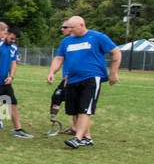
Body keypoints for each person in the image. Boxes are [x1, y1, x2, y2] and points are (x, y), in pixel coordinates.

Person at [46, 15, 121, 149]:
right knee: (75, 110)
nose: (70, 30)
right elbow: (59, 59)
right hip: (71, 79)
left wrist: (113, 73)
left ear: (82, 25)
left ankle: (78, 138)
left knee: (85, 109)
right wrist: (52, 72)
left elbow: (116, 52)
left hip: (91, 77)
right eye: (68, 28)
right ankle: (87, 138)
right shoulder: (66, 41)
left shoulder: (97, 37)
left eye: (72, 28)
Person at [0, 26, 33, 138]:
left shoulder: (14, 47)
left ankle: (18, 129)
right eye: (12, 38)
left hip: (6, 82)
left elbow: (13, 62)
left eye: (15, 40)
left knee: (13, 103)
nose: (13, 41)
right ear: (7, 34)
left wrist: (11, 76)